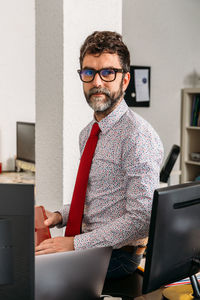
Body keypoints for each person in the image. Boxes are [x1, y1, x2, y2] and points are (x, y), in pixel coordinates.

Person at [35, 31, 164, 279]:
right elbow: (97, 200)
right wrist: (61, 215)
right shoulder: (88, 133)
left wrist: (74, 245)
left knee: (33, 276)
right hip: (88, 246)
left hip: (118, 255)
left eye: (107, 72)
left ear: (125, 80)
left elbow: (141, 218)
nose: (97, 82)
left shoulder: (137, 136)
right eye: (89, 72)